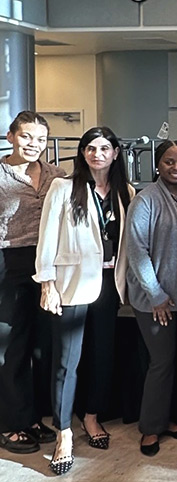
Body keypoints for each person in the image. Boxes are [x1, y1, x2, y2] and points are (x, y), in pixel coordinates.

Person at [33, 126, 132, 474]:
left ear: (115, 153)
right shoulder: (63, 188)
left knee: (102, 356)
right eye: (90, 148)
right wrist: (47, 283)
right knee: (66, 362)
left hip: (108, 283)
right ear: (83, 153)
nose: (97, 154)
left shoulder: (124, 191)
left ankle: (91, 417)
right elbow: (46, 238)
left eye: (104, 148)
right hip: (70, 283)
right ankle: (64, 434)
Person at [126, 140, 177, 457]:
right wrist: (156, 294)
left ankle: (168, 418)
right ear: (158, 165)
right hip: (156, 298)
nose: (176, 167)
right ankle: (149, 428)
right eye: (170, 162)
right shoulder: (146, 200)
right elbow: (136, 251)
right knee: (161, 362)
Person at [0, 111, 63, 455]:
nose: (33, 145)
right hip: (7, 262)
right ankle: (11, 424)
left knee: (41, 345)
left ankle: (31, 417)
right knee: (11, 345)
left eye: (40, 139)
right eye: (26, 137)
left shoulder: (57, 175)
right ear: (11, 137)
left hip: (47, 265)